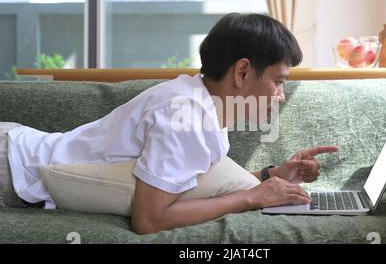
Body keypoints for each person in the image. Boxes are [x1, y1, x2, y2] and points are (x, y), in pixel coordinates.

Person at [0, 13, 338, 235]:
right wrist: (254, 198)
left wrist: (271, 176)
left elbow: (196, 185)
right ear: (243, 72)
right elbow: (149, 220)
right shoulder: (185, 117)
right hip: (9, 166)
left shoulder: (203, 106)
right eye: (278, 82)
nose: (280, 96)